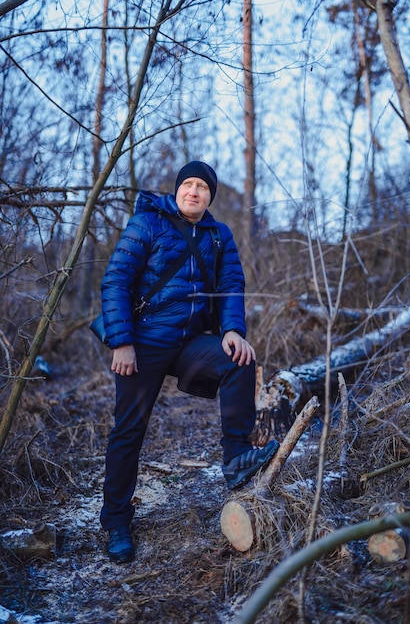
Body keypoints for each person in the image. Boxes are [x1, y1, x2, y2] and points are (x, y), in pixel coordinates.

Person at [100, 161, 279, 563]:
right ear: (177, 189)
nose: (194, 191)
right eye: (188, 184)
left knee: (240, 359)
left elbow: (232, 284)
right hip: (143, 340)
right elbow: (115, 282)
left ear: (210, 196)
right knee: (129, 429)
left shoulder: (219, 235)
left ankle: (235, 459)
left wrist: (233, 329)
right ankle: (115, 522)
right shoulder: (147, 224)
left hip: (189, 342)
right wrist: (121, 341)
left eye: (202, 186)